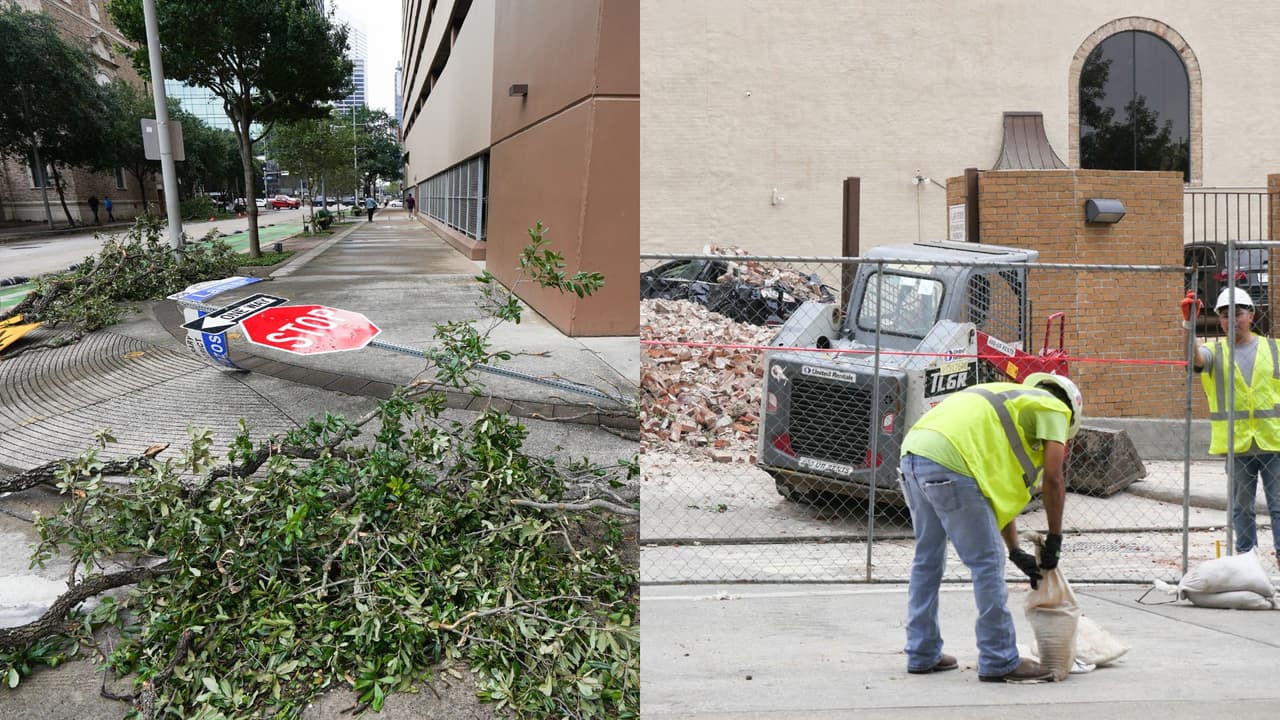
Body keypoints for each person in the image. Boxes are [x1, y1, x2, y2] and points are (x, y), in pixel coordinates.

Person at [899, 372, 1082, 683]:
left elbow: (995, 494)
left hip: (913, 453)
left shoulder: (1006, 402)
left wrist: (1015, 551)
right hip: (950, 461)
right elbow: (1053, 477)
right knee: (986, 562)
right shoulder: (1054, 409)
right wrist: (1055, 537)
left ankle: (922, 652)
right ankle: (999, 657)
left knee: (927, 559)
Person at [1182, 286, 1280, 569]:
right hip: (1238, 445)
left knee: (1278, 506)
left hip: (1273, 441)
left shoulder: (1273, 348)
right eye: (1225, 315)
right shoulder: (1214, 352)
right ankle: (1248, 560)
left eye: (1237, 313)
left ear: (1251, 315)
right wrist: (1188, 324)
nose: (1231, 320)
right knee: (1242, 508)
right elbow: (1193, 360)